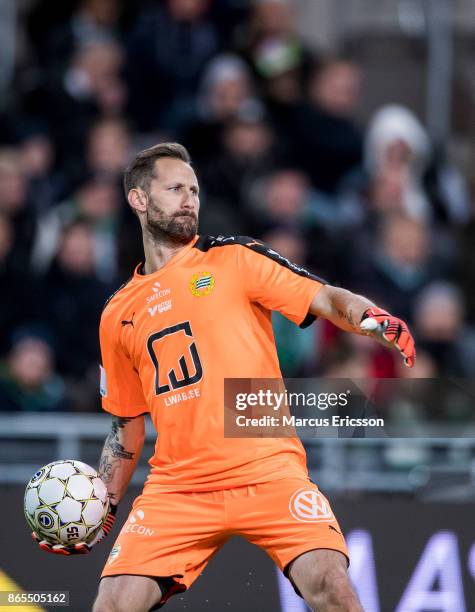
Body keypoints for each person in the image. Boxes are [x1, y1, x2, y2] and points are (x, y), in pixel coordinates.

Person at [32, 143, 415, 611]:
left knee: (333, 587)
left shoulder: (233, 258)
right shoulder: (117, 313)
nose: (189, 199)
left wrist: (371, 316)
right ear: (138, 199)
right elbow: (125, 426)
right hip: (179, 488)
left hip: (269, 469)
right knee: (111, 605)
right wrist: (99, 511)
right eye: (175, 188)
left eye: (194, 189)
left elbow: (327, 297)